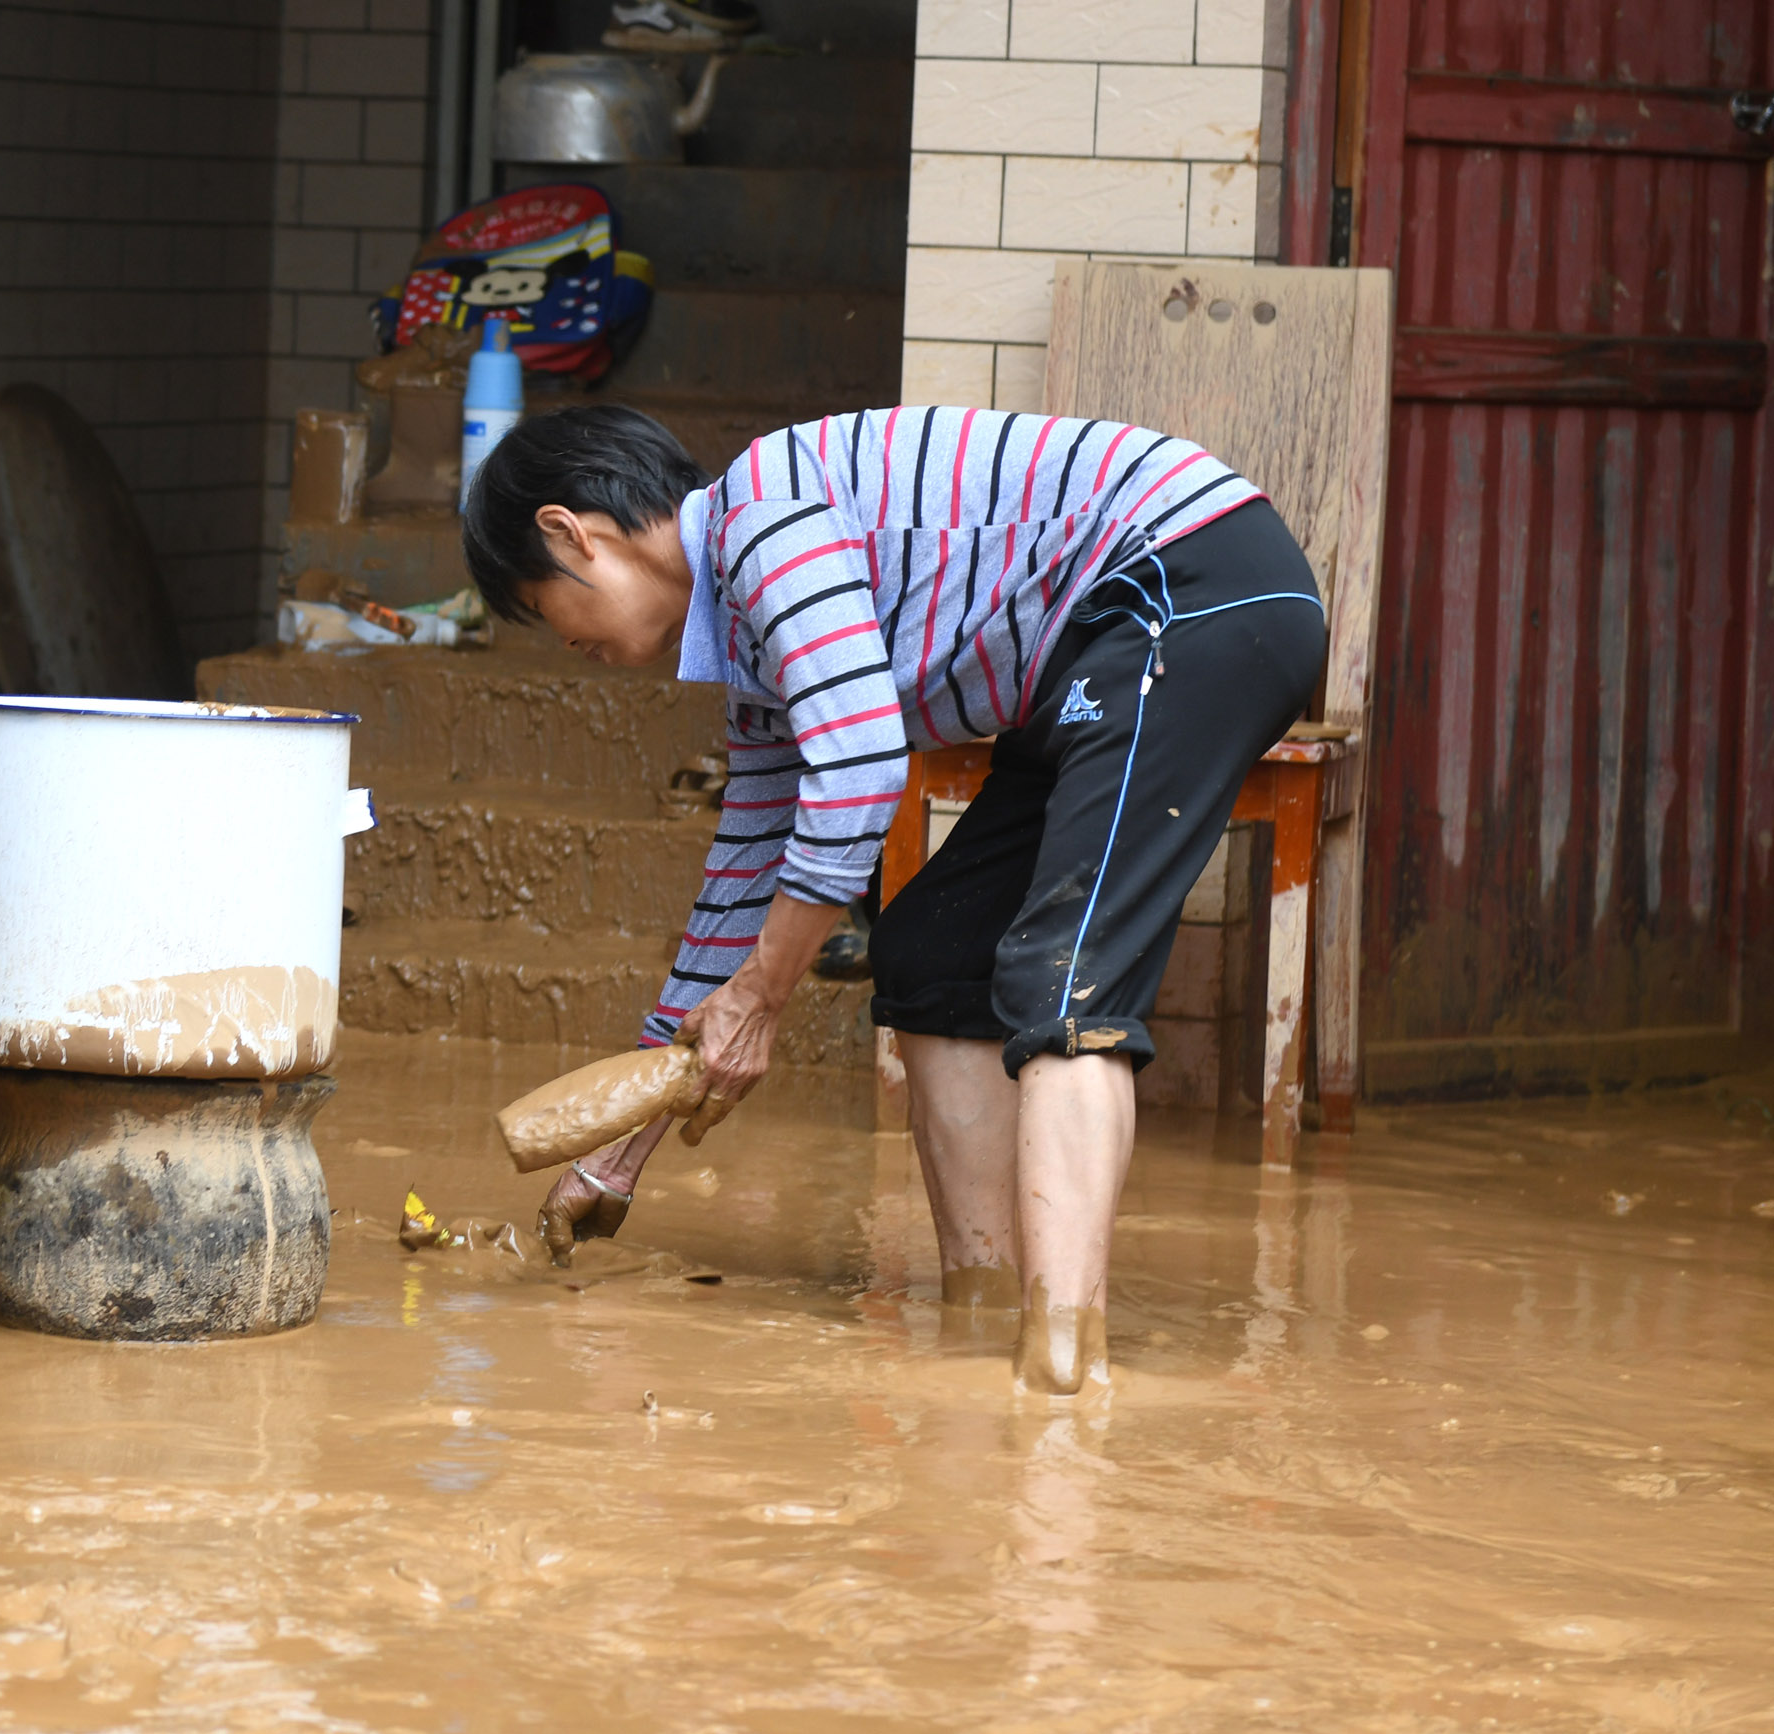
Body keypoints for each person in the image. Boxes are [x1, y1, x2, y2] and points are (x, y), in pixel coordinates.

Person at [458, 405, 1324, 1395]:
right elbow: (741, 888)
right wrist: (617, 1154)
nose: (561, 643)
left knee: (1064, 974)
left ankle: (1063, 1370)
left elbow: (863, 766)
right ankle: (984, 1313)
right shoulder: (756, 653)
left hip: (1193, 588)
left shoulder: (760, 515)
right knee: (932, 950)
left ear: (574, 533)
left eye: (541, 606)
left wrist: (764, 997)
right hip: (1097, 646)